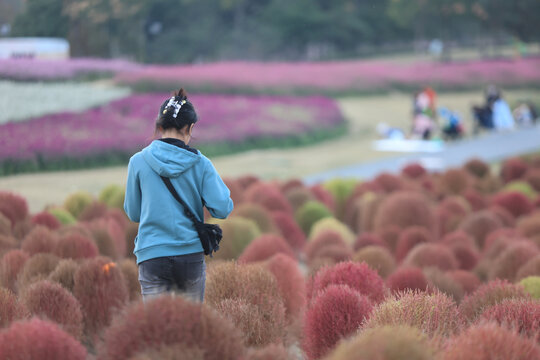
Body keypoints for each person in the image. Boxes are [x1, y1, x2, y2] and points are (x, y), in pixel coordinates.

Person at [124, 88, 234, 303]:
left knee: (155, 328)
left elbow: (134, 213)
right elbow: (223, 208)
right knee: (190, 327)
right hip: (189, 256)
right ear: (190, 127)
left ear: (160, 126)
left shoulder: (137, 161)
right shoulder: (201, 163)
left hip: (152, 254)